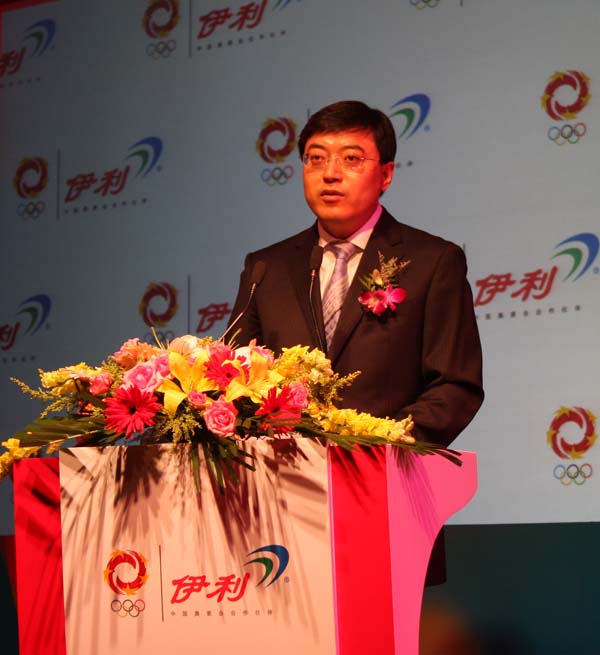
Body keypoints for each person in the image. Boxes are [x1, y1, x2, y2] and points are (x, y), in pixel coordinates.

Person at [229, 100, 484, 584]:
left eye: (351, 158)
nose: (330, 173)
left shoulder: (432, 261)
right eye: (315, 158)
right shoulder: (266, 266)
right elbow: (235, 379)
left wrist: (379, 447)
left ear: (385, 174)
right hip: (280, 511)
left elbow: (455, 385)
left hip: (386, 500)